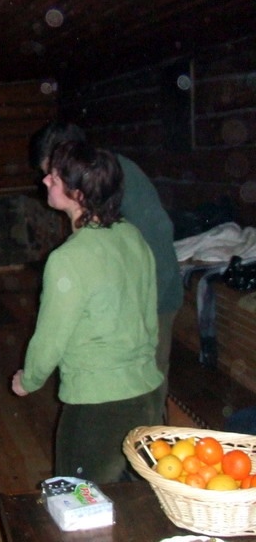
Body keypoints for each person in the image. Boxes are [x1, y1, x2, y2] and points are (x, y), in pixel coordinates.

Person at [12, 140, 164, 484]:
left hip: (99, 407)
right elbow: (149, 317)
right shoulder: (132, 236)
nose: (45, 180)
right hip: (149, 394)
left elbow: (50, 338)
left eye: (54, 177)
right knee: (138, 501)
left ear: (78, 194)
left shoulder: (68, 259)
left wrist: (29, 380)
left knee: (79, 501)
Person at [29, 122, 182, 418]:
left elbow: (154, 236)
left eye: (53, 172)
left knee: (147, 386)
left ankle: (149, 441)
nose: (46, 180)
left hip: (155, 294)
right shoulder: (100, 177)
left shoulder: (109, 179)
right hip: (140, 294)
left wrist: (141, 305)